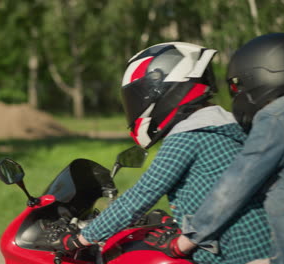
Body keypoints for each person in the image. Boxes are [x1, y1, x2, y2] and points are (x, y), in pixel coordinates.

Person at [55, 42, 271, 263]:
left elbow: (141, 195)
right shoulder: (225, 126)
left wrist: (79, 240)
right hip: (264, 247)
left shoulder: (189, 135)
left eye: (139, 96)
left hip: (239, 255)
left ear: (162, 90)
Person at [175, 33, 284, 264]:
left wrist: (188, 238)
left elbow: (235, 185)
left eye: (237, 85)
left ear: (257, 75)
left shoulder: (277, 117)